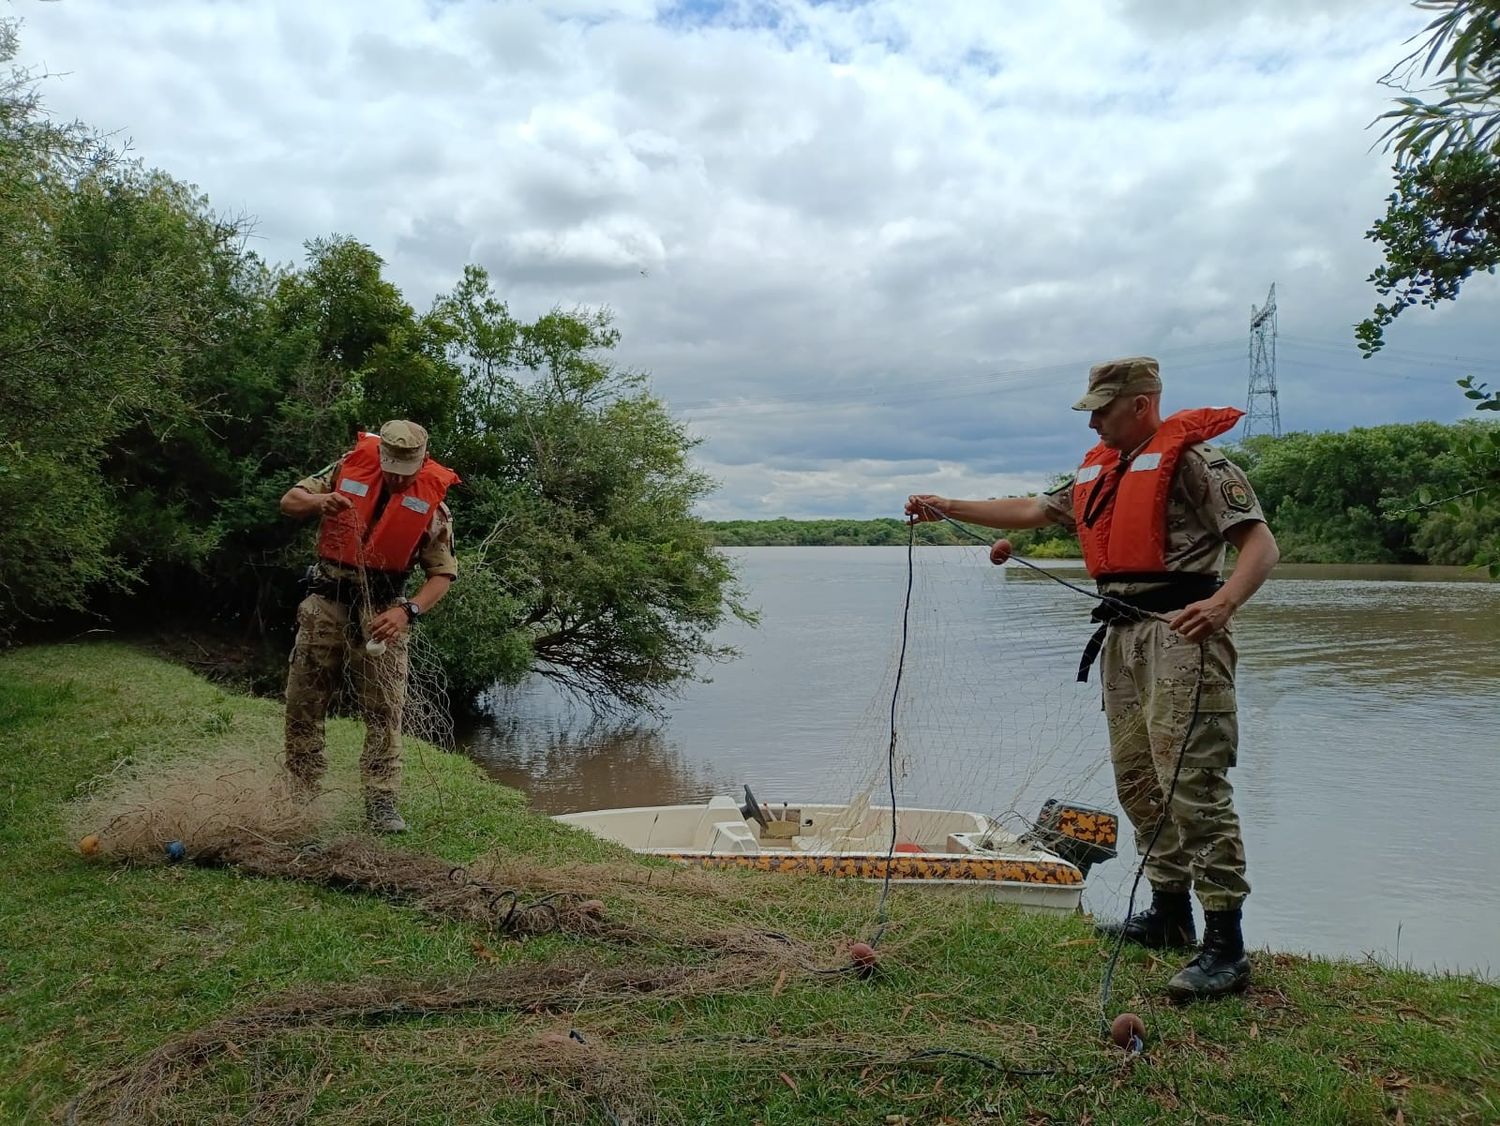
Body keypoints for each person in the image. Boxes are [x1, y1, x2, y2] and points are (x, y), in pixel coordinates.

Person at [906, 357, 1279, 1001]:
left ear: (1142, 403)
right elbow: (1032, 508)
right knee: (1137, 777)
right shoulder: (1099, 471)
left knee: (1192, 779)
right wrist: (947, 506)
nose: (1096, 419)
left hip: (1182, 637)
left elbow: (1260, 546)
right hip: (1122, 635)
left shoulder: (1197, 463)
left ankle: (1225, 943)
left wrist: (1223, 605)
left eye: (1105, 408)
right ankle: (1168, 913)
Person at [279, 420, 460, 833]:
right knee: (304, 702)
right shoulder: (345, 468)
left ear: (422, 462)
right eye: (391, 465)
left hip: (382, 613)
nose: (397, 476)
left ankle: (381, 800)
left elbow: (442, 575)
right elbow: (290, 500)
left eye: (406, 469)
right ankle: (301, 792)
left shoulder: (433, 505)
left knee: (385, 711)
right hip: (326, 602)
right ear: (380, 455)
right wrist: (317, 504)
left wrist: (407, 612)